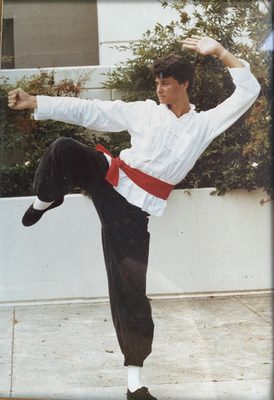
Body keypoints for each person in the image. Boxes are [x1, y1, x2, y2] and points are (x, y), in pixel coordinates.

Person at [8, 36, 260, 400]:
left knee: (130, 292)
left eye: (166, 82)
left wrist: (220, 52)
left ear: (184, 84)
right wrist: (37, 102)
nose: (159, 88)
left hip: (131, 213)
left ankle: (134, 383)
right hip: (110, 176)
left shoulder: (203, 125)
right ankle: (47, 198)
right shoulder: (144, 110)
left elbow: (247, 92)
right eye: (156, 81)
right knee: (63, 148)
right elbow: (90, 111)